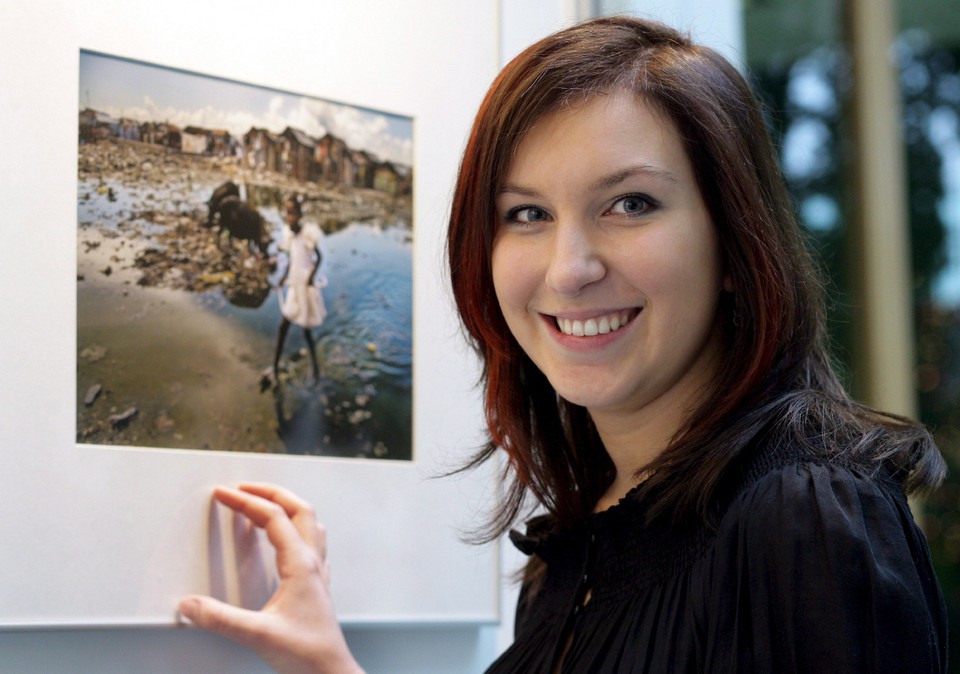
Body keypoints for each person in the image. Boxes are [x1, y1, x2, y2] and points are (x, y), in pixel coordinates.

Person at [179, 16, 947, 673]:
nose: (569, 270)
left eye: (630, 204)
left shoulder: (803, 517)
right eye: (526, 215)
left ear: (736, 242)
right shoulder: (570, 558)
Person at [266, 196, 326, 389]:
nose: (288, 216)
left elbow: (319, 257)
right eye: (287, 212)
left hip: (304, 286)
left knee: (307, 330)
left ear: (299, 215)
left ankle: (316, 368)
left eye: (292, 212)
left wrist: (311, 277)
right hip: (294, 285)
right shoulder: (288, 234)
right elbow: (292, 259)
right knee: (283, 326)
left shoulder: (307, 234)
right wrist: (283, 277)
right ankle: (274, 369)